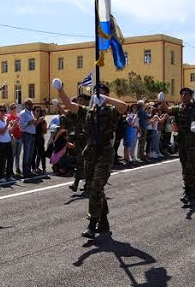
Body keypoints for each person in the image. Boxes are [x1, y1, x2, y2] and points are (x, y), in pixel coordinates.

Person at [54, 78, 128, 238]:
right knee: (95, 188)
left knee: (95, 187)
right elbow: (70, 106)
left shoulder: (110, 111)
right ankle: (104, 220)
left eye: (101, 93)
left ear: (106, 95)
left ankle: (92, 223)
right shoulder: (88, 111)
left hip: (105, 153)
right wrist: (60, 89)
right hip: (90, 152)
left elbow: (124, 107)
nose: (97, 95)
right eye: (96, 93)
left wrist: (106, 99)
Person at [160, 88, 195, 205]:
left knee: (190, 167)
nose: (183, 96)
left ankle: (187, 192)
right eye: (182, 94)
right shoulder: (178, 109)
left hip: (192, 144)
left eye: (186, 94)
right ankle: (191, 192)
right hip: (182, 143)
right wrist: (162, 101)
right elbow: (168, 110)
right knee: (185, 167)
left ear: (190, 96)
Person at [0, 104, 15, 183]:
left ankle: (9, 175)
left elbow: (9, 131)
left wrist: (14, 125)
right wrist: (7, 124)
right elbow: (2, 132)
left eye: (4, 110)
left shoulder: (5, 119)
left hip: (8, 142)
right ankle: (1, 176)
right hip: (1, 143)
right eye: (1, 110)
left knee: (10, 159)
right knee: (1, 160)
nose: (3, 112)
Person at [18, 98, 37, 179]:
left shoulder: (31, 113)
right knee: (27, 154)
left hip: (32, 134)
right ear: (25, 105)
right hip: (26, 134)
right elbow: (21, 125)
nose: (31, 105)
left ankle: (28, 171)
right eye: (29, 104)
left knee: (30, 154)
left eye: (32, 104)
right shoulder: (23, 113)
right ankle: (26, 172)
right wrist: (29, 122)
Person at [6, 103, 22, 178]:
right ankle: (10, 169)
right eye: (11, 108)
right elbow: (9, 127)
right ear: (9, 110)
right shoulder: (9, 117)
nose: (13, 109)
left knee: (18, 154)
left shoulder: (19, 116)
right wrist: (13, 124)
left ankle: (17, 168)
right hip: (13, 138)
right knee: (12, 155)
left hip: (20, 137)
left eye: (14, 108)